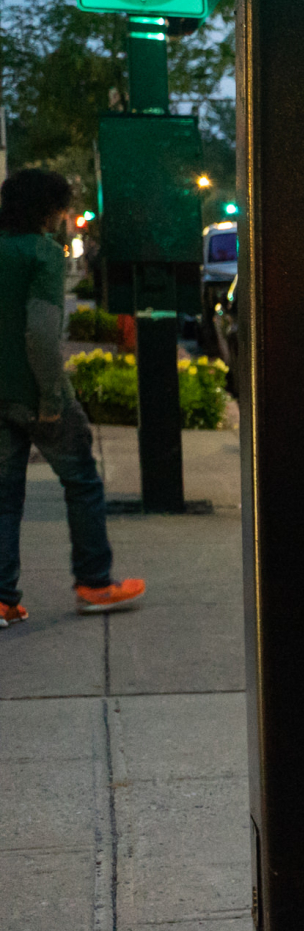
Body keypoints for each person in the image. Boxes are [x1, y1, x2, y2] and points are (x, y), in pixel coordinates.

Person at [0, 168, 146, 626]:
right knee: (82, 481)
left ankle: (3, 598)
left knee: (5, 496)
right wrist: (50, 398)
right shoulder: (42, 252)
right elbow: (41, 333)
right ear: (49, 210)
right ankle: (94, 583)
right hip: (35, 393)